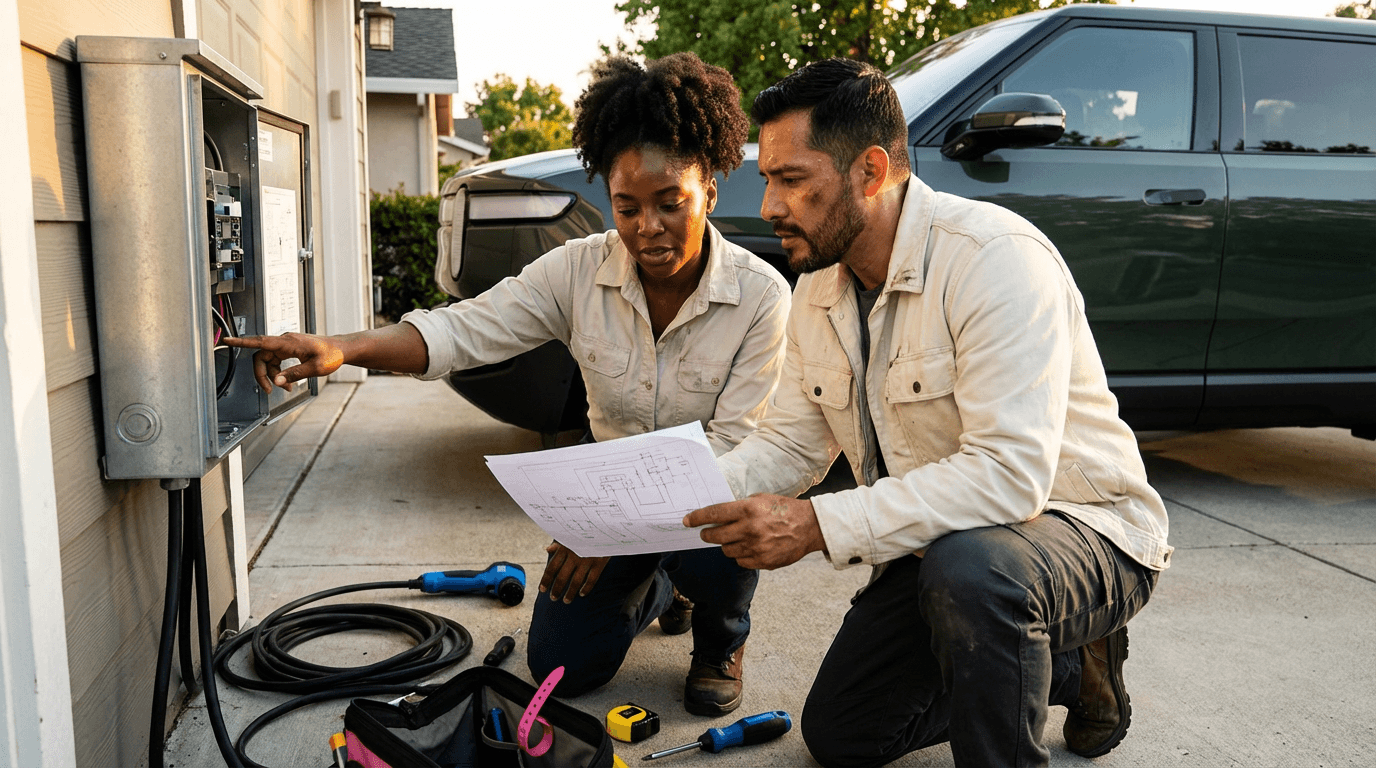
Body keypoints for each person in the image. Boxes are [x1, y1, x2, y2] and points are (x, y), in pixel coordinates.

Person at [227, 52, 790, 716]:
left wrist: (606, 531)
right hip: (611, 477)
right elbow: (464, 330)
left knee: (738, 524)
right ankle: (660, 590)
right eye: (627, 205)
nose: (647, 227)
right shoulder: (577, 272)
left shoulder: (761, 297)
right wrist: (340, 348)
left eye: (672, 203)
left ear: (710, 193)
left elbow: (735, 451)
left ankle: (719, 639)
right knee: (562, 668)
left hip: (707, 496)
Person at [682, 58, 1171, 767]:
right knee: (845, 735)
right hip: (945, 549)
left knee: (974, 573)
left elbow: (1009, 478)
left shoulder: (994, 258)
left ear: (870, 171)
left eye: (792, 181)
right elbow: (791, 443)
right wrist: (676, 495)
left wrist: (818, 523)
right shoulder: (819, 293)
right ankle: (1069, 669)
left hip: (1086, 531)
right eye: (768, 179)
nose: (769, 207)